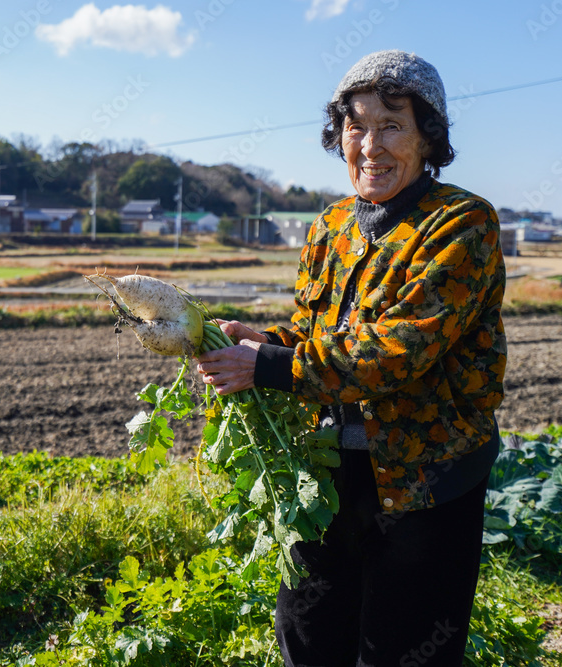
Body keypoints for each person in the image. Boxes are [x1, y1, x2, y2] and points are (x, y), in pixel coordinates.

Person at [195, 49, 507, 667]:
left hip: (426, 479)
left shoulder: (462, 224)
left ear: (427, 138)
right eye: (356, 125)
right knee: (309, 638)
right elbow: (318, 330)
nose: (371, 145)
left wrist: (270, 368)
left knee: (403, 650)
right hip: (327, 471)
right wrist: (263, 342)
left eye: (392, 125)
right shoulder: (331, 225)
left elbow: (397, 348)